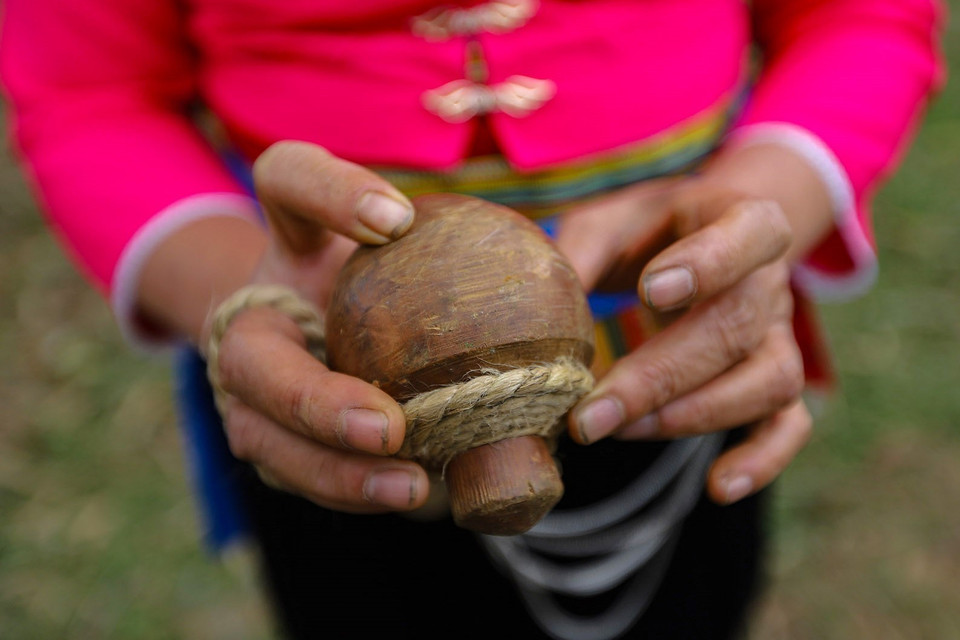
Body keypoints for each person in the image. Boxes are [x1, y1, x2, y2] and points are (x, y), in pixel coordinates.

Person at [0, 1, 944, 638]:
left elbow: (859, 18)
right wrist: (238, 285)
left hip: (676, 367)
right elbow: (90, 91)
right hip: (324, 380)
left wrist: (757, 201)